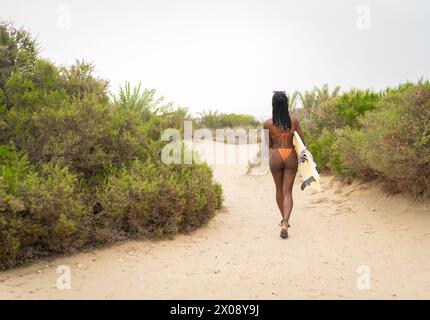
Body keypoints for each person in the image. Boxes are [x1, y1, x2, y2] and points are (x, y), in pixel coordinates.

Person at [263, 91, 306, 239]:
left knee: (279, 190)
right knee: (287, 192)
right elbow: (302, 142)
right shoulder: (293, 121)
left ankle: (283, 221)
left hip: (275, 155)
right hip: (290, 155)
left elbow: (268, 145)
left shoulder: (267, 123)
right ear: (286, 104)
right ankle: (285, 222)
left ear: (273, 105)